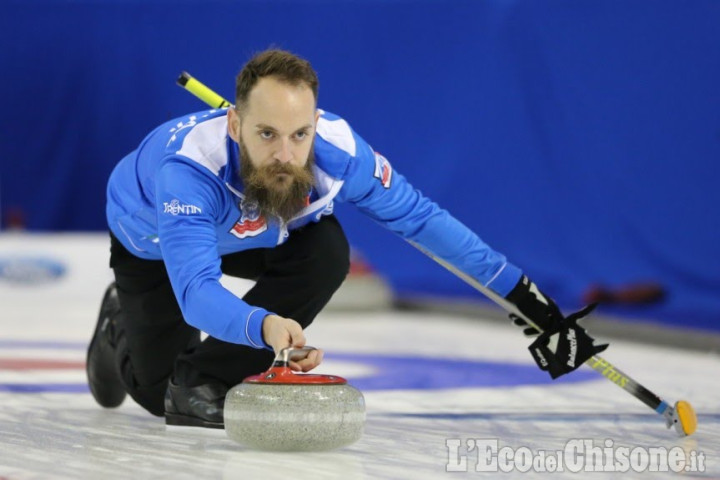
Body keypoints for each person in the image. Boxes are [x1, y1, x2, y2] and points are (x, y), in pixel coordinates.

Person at [87, 49, 607, 429]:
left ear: (316, 124)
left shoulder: (340, 152)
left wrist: (528, 301)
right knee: (156, 395)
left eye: (298, 134)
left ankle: (205, 378)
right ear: (234, 123)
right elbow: (197, 292)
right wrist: (265, 326)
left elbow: (423, 222)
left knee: (327, 251)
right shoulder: (189, 173)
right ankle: (117, 330)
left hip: (260, 231)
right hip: (154, 242)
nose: (286, 155)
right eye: (265, 134)